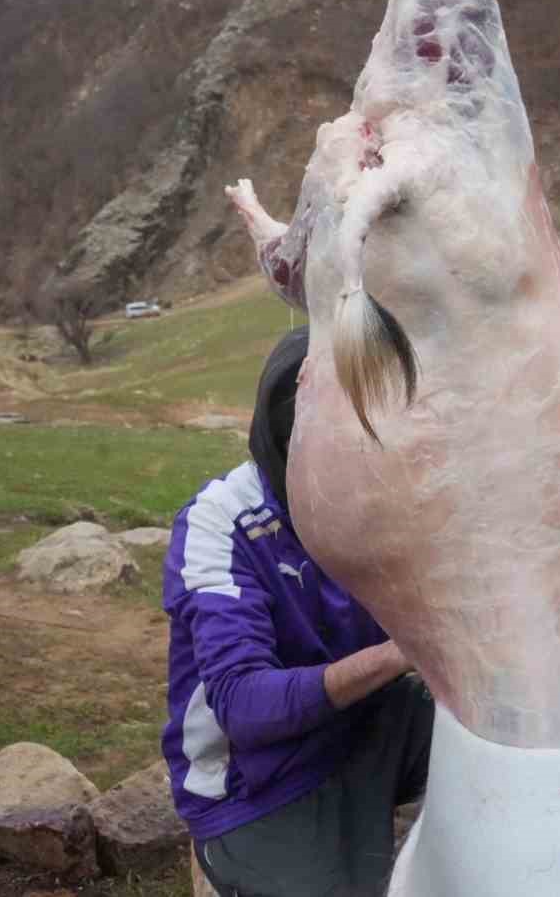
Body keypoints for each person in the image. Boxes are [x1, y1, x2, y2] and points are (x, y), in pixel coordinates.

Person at [162, 327, 433, 897]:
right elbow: (242, 704)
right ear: (289, 446)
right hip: (256, 785)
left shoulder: (375, 500)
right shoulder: (220, 522)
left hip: (361, 726)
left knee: (509, 733)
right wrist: (398, 652)